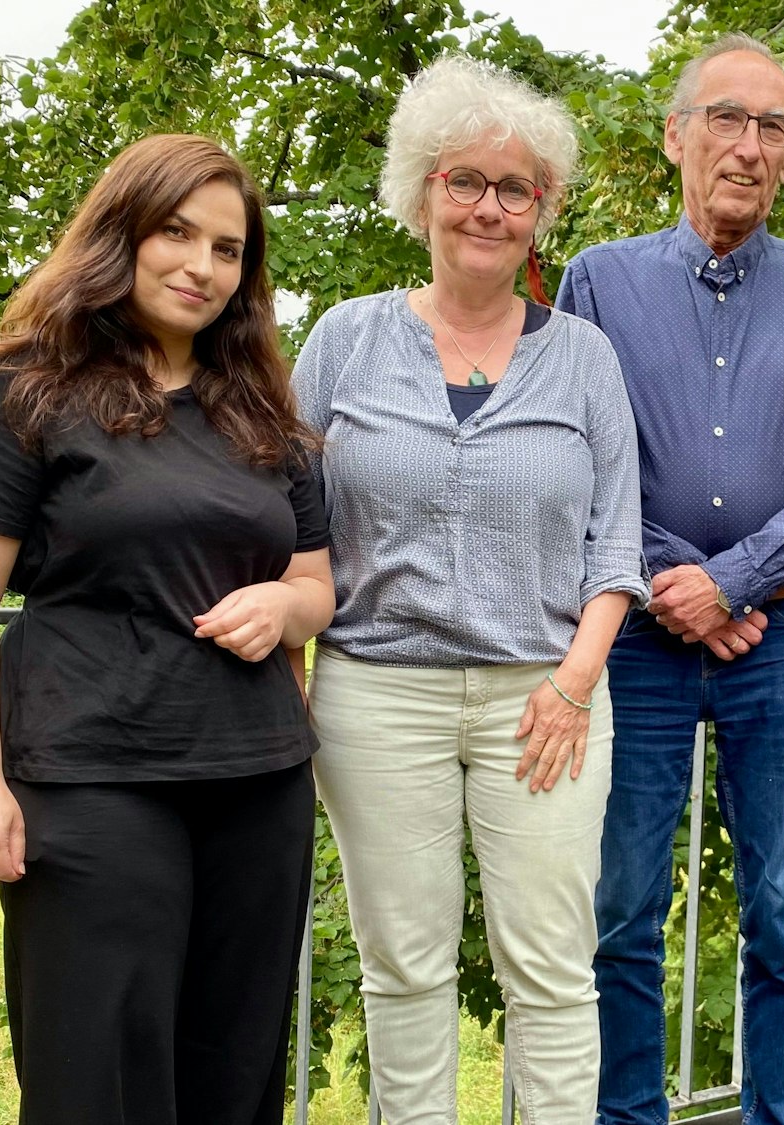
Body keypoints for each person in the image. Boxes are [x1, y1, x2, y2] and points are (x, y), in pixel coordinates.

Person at [0, 134, 333, 1125]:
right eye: (176, 232)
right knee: (96, 1075)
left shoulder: (263, 415)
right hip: (91, 776)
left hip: (258, 778)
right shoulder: (18, 393)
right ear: (121, 235)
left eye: (227, 249)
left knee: (235, 1074)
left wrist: (284, 606)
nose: (200, 265)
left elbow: (317, 583)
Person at [291, 55, 646, 1125]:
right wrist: (295, 663)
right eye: (465, 181)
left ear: (542, 211)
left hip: (545, 697)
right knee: (403, 969)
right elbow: (287, 517)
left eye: (515, 188)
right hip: (373, 694)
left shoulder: (584, 358)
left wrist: (575, 684)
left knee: (550, 971)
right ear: (419, 192)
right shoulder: (344, 340)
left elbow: (615, 541)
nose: (488, 207)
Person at [556, 31, 784, 1125]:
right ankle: (626, 1117)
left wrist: (736, 580)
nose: (747, 146)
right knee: (620, 909)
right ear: (674, 136)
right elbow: (576, 456)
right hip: (637, 644)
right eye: (725, 119)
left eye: (771, 127)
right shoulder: (597, 281)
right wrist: (676, 587)